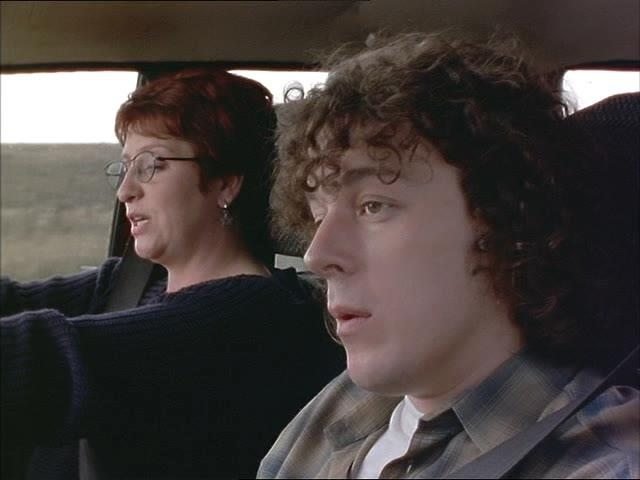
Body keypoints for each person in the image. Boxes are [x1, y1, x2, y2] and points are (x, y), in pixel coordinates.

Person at [258, 32, 639, 478]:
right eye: (319, 215)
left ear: (504, 219)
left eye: (373, 206)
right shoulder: (339, 409)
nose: (317, 255)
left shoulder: (599, 464)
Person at [1, 68, 344, 479]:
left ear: (225, 182)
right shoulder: (133, 281)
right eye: (125, 167)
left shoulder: (251, 319)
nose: (125, 190)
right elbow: (12, 301)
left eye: (151, 165)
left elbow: (40, 358)